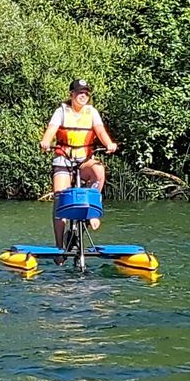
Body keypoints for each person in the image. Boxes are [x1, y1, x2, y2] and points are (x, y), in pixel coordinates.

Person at [39, 78, 117, 251]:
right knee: (60, 198)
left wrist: (109, 144)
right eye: (79, 93)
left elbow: (100, 131)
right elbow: (51, 130)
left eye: (86, 93)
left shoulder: (92, 112)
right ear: (72, 94)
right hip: (64, 159)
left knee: (99, 172)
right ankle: (60, 247)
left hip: (84, 159)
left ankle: (92, 212)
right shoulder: (61, 111)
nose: (83, 96)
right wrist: (45, 141)